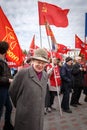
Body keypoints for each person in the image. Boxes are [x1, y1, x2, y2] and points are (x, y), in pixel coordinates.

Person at [9, 48, 48, 130]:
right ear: (33, 61)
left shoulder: (45, 75)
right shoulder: (23, 73)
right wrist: (21, 106)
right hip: (25, 114)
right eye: (38, 62)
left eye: (43, 63)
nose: (40, 65)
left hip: (39, 114)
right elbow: (12, 91)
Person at [0, 41, 14, 130]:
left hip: (5, 88)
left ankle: (7, 125)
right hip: (1, 89)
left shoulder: (4, 60)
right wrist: (8, 80)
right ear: (5, 50)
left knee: (9, 107)